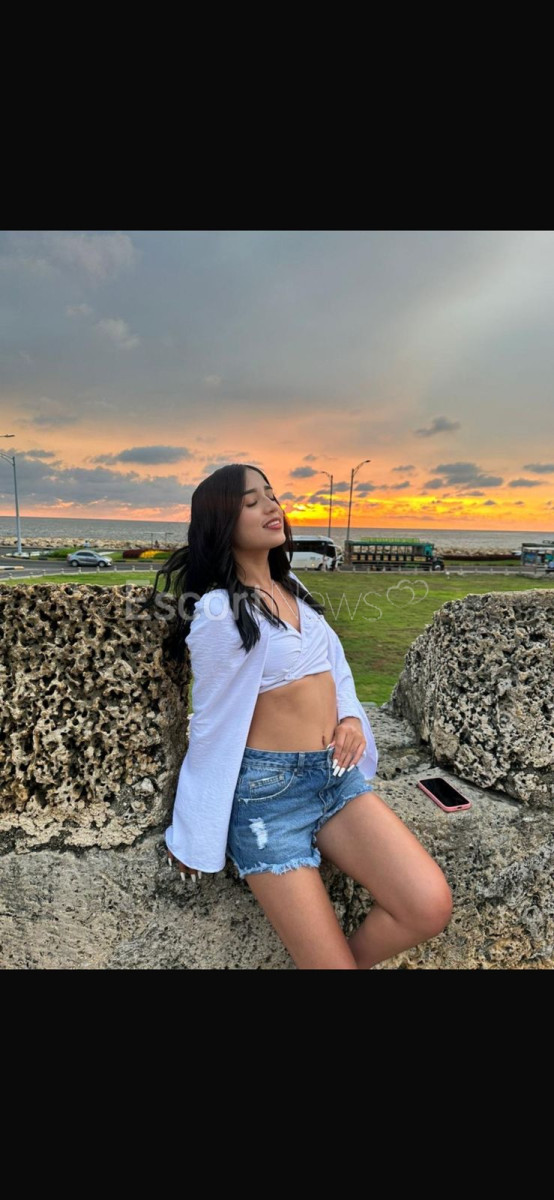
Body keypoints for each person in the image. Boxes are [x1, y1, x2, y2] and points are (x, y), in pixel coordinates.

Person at [138, 463, 452, 969]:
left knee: (427, 905)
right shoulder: (220, 611)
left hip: (334, 777)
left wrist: (350, 719)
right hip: (269, 799)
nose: (271, 506)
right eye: (250, 501)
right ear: (222, 522)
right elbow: (212, 722)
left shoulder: (293, 587)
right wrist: (194, 830)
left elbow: (335, 667)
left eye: (272, 495)